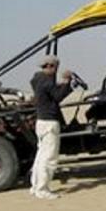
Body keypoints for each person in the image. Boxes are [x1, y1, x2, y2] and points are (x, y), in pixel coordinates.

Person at [29, 55, 74, 200]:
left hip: (41, 121)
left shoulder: (37, 79)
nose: (56, 70)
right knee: (49, 158)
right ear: (49, 66)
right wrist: (67, 82)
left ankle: (36, 186)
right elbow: (57, 96)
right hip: (49, 123)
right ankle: (42, 189)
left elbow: (51, 93)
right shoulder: (46, 81)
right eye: (55, 66)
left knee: (40, 156)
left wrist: (63, 85)